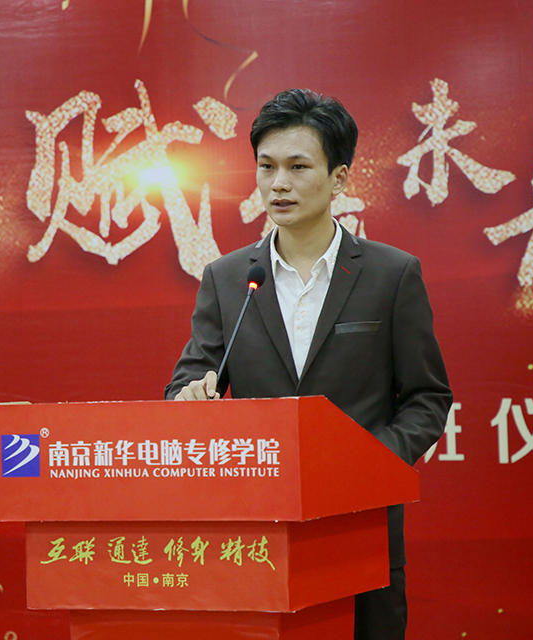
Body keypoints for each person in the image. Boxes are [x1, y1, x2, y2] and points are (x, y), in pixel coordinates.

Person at [165, 88, 452, 639]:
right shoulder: (229, 279)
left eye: (298, 167)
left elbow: (427, 397)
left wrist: (368, 463)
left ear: (339, 178)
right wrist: (189, 397)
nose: (279, 184)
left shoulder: (391, 275)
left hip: (358, 527)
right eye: (266, 167)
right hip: (255, 531)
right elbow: (187, 379)